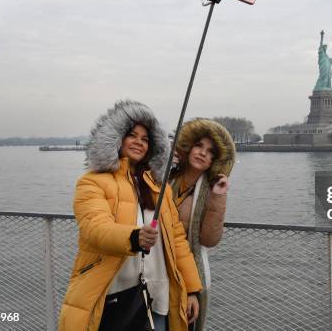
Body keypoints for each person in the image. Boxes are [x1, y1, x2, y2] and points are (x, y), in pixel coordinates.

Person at [59, 100, 202, 331]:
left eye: (145, 139)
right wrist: (134, 238)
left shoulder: (160, 188)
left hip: (158, 297)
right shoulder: (92, 182)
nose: (139, 142)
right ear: (117, 138)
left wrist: (192, 290)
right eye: (132, 135)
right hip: (113, 297)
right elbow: (94, 228)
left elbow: (177, 242)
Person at [169, 119, 236, 331]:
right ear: (189, 147)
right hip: (155, 267)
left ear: (214, 161)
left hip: (187, 272)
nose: (202, 153)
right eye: (199, 146)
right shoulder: (165, 177)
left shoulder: (210, 189)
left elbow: (209, 240)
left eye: (210, 152)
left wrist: (218, 196)